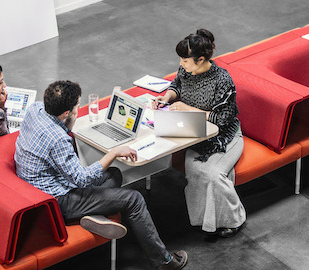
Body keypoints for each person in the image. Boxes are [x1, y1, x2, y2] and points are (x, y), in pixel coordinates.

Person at [15, 80, 188, 270]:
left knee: (112, 173)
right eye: (76, 106)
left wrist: (69, 123)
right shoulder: (57, 139)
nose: (77, 109)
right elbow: (81, 179)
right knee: (134, 199)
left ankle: (93, 215)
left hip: (35, 186)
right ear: (66, 113)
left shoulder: (35, 110)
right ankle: (164, 262)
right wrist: (113, 153)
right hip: (57, 200)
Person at [153, 29, 246, 238]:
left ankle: (235, 219)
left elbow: (223, 118)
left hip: (225, 137)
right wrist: (167, 97)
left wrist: (187, 109)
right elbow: (176, 85)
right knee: (197, 172)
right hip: (195, 134)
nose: (181, 65)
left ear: (201, 59)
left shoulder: (222, 80)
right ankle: (208, 221)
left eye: (185, 61)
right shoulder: (187, 71)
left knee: (212, 174)